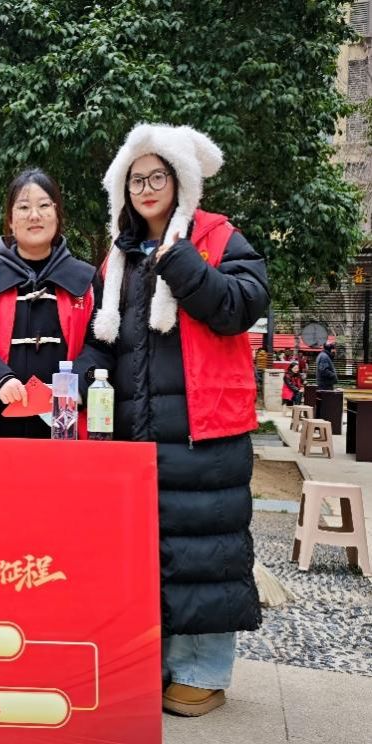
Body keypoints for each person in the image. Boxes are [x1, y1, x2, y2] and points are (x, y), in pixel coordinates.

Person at [73, 123, 269, 716]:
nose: (147, 188)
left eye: (157, 176)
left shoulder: (217, 237)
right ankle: (155, 661)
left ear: (181, 180)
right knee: (152, 552)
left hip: (204, 429)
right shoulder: (119, 257)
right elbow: (103, 340)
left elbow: (241, 306)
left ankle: (203, 671)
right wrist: (80, 378)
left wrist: (182, 262)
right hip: (137, 432)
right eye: (136, 180)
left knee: (206, 551)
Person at [0, 168, 97, 437]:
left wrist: (76, 386)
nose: (34, 215)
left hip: (66, 421)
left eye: (44, 205)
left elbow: (101, 345)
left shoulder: (86, 280)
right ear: (10, 220)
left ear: (57, 214)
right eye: (23, 207)